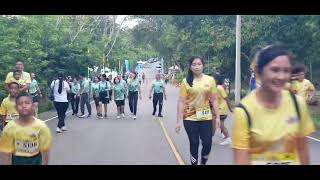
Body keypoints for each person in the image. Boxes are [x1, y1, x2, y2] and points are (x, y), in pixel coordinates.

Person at [232, 43, 315, 165]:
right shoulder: (244, 111)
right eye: (274, 70)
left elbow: (302, 150)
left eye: (286, 71)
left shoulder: (298, 104)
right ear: (259, 72)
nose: (281, 77)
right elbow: (241, 160)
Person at [176, 56, 221, 165]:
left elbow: (214, 100)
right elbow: (181, 101)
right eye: (194, 64)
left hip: (206, 117)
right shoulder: (185, 81)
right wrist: (178, 121)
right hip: (190, 117)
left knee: (207, 143)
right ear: (190, 67)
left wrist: (218, 117)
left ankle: (203, 162)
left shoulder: (210, 80)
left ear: (203, 65)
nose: (197, 67)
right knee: (194, 142)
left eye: (199, 64)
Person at [0, 92, 52, 165]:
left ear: (33, 106)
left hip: (35, 161)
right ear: (16, 107)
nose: (24, 106)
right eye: (20, 104)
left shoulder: (41, 126)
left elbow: (45, 149)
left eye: (27, 103)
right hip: (17, 160)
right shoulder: (9, 128)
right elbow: (6, 152)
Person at [214, 74, 233, 145]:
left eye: (213, 79)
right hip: (219, 108)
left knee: (221, 124)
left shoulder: (219, 88)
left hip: (222, 109)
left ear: (216, 80)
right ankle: (224, 135)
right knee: (219, 124)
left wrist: (230, 108)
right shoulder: (215, 88)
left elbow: (226, 98)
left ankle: (228, 138)